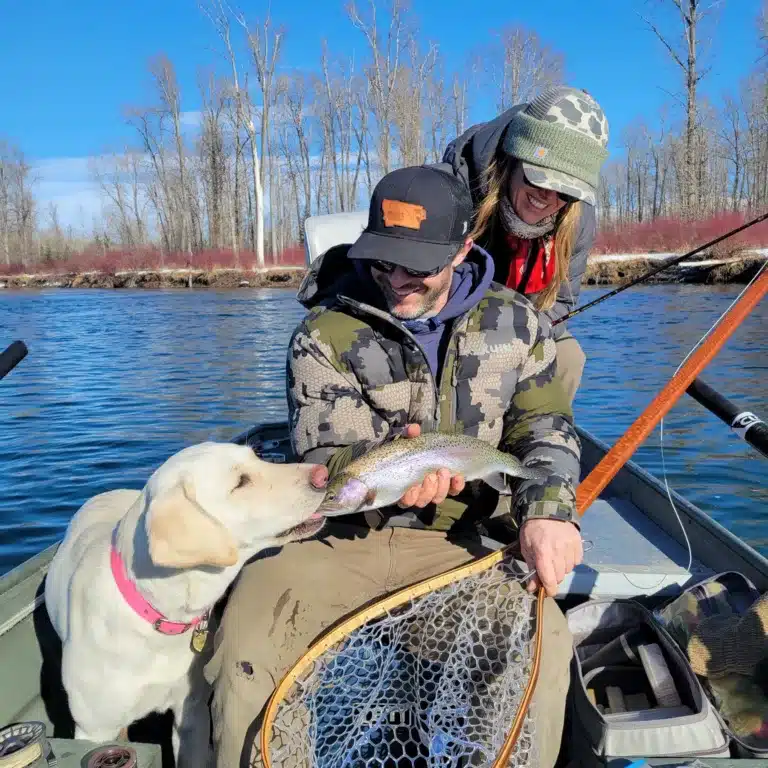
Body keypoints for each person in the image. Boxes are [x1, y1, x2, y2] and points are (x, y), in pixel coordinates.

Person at [205, 164, 584, 768]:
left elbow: (545, 428)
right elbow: (325, 460)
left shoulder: (519, 326)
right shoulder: (322, 335)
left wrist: (548, 513)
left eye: (418, 266)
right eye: (385, 262)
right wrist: (383, 461)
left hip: (463, 542)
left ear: (462, 249)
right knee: (243, 646)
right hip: (338, 537)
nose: (398, 280)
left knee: (541, 644)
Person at [438, 85, 610, 403]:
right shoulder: (453, 190)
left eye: (566, 191)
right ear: (514, 159)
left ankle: (535, 439)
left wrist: (517, 340)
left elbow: (561, 302)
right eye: (539, 178)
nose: (548, 197)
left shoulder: (578, 218)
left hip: (520, 326)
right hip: (448, 319)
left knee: (569, 356)